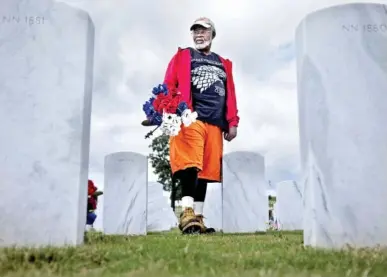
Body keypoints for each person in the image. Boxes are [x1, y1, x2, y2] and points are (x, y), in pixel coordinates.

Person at [163, 17, 240, 234]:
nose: (199, 35)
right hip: (190, 116)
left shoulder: (223, 63)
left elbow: (231, 93)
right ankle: (186, 212)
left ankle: (197, 218)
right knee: (190, 163)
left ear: (212, 35)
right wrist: (169, 110)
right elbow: (169, 84)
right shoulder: (183, 56)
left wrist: (232, 121)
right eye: (195, 31)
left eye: (204, 31)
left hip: (215, 122)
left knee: (205, 171)